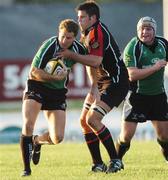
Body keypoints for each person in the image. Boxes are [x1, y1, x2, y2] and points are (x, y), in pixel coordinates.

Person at [58, 1, 129, 173]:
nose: (79, 20)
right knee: (84, 121)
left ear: (93, 18)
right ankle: (97, 164)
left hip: (116, 82)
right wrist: (94, 87)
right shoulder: (86, 32)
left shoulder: (97, 32)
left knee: (93, 120)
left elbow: (95, 61)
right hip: (102, 82)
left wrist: (70, 55)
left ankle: (115, 160)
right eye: (78, 17)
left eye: (82, 17)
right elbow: (92, 65)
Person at [20, 19, 86, 176]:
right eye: (62, 36)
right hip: (37, 86)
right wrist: (54, 78)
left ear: (74, 38)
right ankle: (26, 170)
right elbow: (34, 72)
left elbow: (92, 61)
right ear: (59, 33)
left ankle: (37, 141)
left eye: (69, 38)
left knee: (58, 137)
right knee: (28, 125)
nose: (64, 40)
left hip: (57, 93)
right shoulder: (50, 45)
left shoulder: (78, 49)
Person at [115, 16, 168, 163]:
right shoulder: (133, 47)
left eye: (149, 29)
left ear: (154, 31)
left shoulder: (163, 44)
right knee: (126, 136)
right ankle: (116, 161)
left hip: (158, 96)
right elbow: (132, 75)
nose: (145, 32)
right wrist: (155, 67)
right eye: (142, 29)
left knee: (165, 136)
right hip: (137, 97)